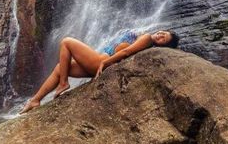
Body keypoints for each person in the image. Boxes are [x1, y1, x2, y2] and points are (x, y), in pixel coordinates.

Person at [19, 29, 179, 114]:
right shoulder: (146, 39)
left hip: (100, 61)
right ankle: (36, 100)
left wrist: (103, 63)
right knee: (61, 67)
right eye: (162, 32)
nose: (160, 35)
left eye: (164, 38)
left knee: (67, 42)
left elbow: (125, 53)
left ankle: (63, 83)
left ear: (163, 46)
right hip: (99, 61)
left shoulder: (147, 39)